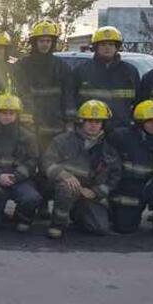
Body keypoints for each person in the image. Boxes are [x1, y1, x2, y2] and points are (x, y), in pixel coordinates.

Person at [15, 20, 75, 217]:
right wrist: (26, 119)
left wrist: (69, 123)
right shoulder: (23, 66)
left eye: (48, 40)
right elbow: (21, 93)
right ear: (34, 42)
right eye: (41, 40)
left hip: (55, 126)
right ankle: (33, 204)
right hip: (30, 126)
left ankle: (48, 204)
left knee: (51, 166)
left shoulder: (62, 67)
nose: (44, 44)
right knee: (31, 164)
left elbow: (68, 96)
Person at [42, 100, 122, 239]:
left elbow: (115, 177)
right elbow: (47, 162)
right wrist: (63, 173)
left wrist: (96, 192)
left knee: (100, 228)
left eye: (97, 122)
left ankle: (76, 212)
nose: (93, 125)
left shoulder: (108, 150)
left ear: (103, 124)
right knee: (66, 187)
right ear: (81, 122)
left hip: (89, 194)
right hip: (62, 187)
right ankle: (57, 224)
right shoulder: (62, 141)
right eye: (89, 121)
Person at [108, 100, 153, 238]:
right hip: (128, 188)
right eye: (150, 121)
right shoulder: (122, 138)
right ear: (140, 123)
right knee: (124, 228)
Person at [0, 94, 42, 232]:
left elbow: (33, 160)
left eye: (11, 113)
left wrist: (16, 176)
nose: (7, 117)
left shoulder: (27, 136)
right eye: (4, 113)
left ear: (17, 115)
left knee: (31, 197)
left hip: (19, 180)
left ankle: (22, 218)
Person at [72, 26, 140, 130]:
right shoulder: (81, 71)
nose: (107, 48)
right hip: (91, 129)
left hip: (122, 129)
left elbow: (138, 102)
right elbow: (72, 100)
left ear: (117, 47)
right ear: (96, 47)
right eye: (103, 44)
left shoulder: (130, 71)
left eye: (111, 44)